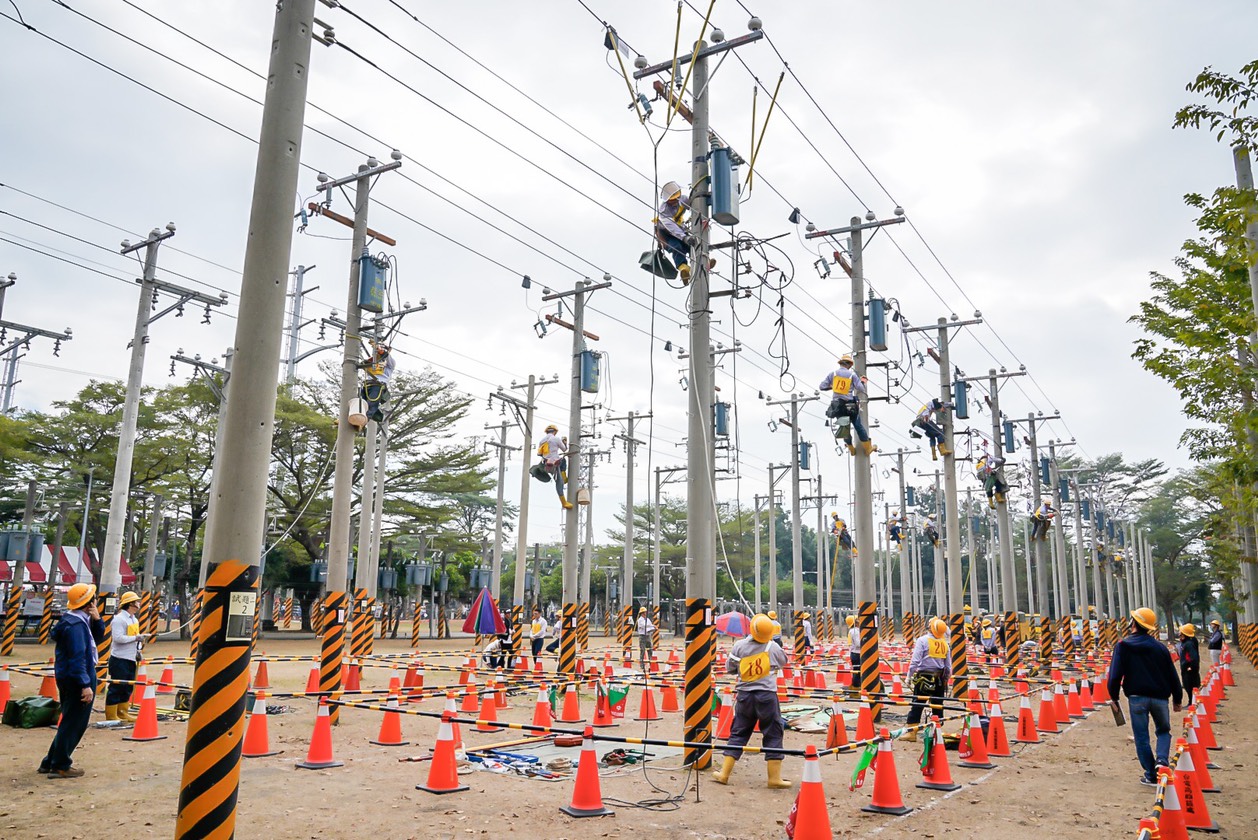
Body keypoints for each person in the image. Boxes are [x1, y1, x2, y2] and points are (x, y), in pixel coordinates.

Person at [711, 613, 792, 789]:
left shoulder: (739, 646)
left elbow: (730, 668)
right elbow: (784, 662)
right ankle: (774, 778)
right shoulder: (773, 647)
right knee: (773, 732)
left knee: (739, 732)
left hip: (744, 696)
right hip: (767, 696)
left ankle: (724, 773)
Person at [1107, 607, 1183, 787]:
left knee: (1141, 737)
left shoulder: (1123, 646)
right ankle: (1162, 761)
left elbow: (1115, 675)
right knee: (1163, 731)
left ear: (1133, 623)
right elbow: (1172, 675)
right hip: (1160, 698)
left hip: (1136, 698)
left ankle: (1151, 775)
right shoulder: (1160, 648)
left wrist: (1114, 697)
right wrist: (1177, 699)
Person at [40, 583, 104, 778]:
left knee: (69, 719)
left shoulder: (74, 620)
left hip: (69, 675)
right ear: (88, 603)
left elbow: (96, 639)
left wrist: (97, 620)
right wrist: (85, 684)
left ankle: (50, 761)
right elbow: (78, 657)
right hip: (77, 676)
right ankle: (60, 764)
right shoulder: (76, 626)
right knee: (75, 723)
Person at [901, 617, 952, 741]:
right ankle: (936, 733)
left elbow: (915, 661)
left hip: (924, 677)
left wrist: (908, 676)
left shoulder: (922, 640)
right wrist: (945, 679)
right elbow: (948, 667)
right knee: (937, 705)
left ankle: (912, 733)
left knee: (917, 704)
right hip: (939, 678)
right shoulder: (945, 644)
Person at [105, 591, 153, 722]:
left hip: (131, 658)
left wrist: (139, 651)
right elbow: (118, 638)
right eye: (136, 602)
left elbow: (135, 637)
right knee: (117, 686)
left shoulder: (134, 619)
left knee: (128, 686)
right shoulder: (119, 619)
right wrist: (136, 638)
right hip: (120, 658)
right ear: (130, 604)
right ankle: (111, 715)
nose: (138, 604)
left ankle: (122, 712)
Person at [820, 354, 874, 455]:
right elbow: (861, 388)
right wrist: (863, 381)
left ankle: (851, 449)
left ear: (840, 363)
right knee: (858, 426)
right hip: (850, 405)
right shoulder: (851, 375)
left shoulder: (833, 374)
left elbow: (822, 386)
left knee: (844, 428)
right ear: (849, 364)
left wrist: (833, 386)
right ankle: (867, 448)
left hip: (838, 406)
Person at [357, 341, 396, 423]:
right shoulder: (373, 361)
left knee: (371, 404)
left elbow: (385, 354)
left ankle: (362, 421)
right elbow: (362, 364)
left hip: (377, 385)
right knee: (360, 404)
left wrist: (377, 347)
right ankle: (348, 418)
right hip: (367, 385)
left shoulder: (390, 363)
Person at [536, 424, 573, 510]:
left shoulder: (542, 441)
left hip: (546, 463)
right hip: (555, 462)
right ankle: (564, 502)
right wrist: (564, 443)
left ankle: (564, 502)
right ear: (555, 432)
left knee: (558, 480)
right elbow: (564, 449)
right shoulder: (556, 439)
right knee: (560, 481)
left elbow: (539, 453)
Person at [1177, 624, 1201, 697]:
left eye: (1180, 632)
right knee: (1187, 685)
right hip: (1185, 668)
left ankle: (1192, 700)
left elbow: (1193, 657)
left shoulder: (1189, 644)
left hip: (1189, 670)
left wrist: (1190, 667)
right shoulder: (1184, 643)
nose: (1179, 633)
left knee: (1190, 686)